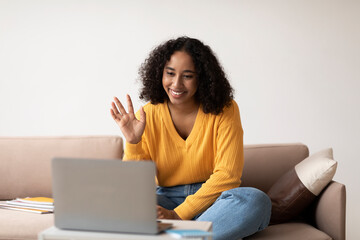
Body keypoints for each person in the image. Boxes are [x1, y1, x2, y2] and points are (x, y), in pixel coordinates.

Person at [110, 36, 271, 240]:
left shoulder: (225, 110)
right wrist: (133, 142)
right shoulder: (148, 114)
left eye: (187, 76)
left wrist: (178, 215)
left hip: (214, 202)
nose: (176, 84)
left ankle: (180, 234)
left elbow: (228, 176)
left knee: (256, 200)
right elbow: (134, 187)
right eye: (170, 73)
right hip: (166, 199)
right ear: (160, 73)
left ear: (202, 78)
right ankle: (196, 234)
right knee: (121, 204)